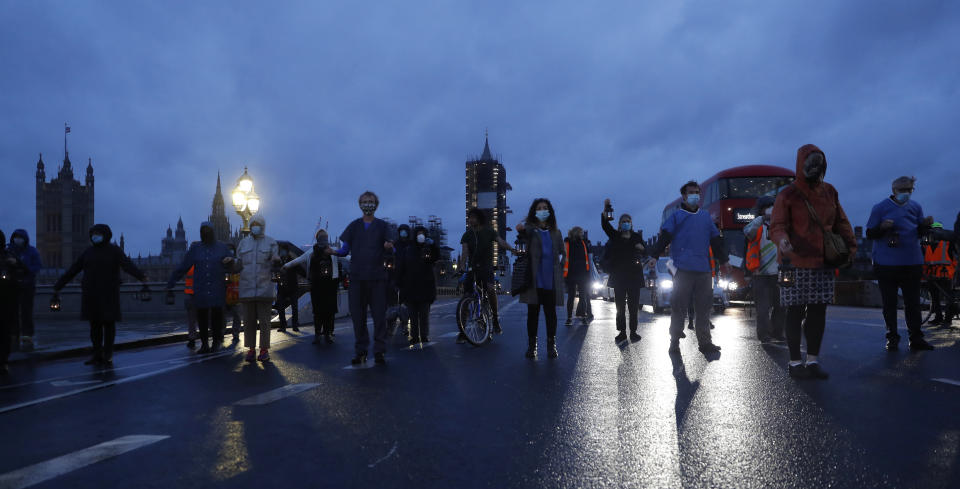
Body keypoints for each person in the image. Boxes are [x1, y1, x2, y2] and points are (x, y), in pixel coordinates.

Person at [771, 144, 857, 379]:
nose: (816, 169)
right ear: (801, 166)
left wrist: (850, 248)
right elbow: (777, 225)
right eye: (811, 164)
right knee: (795, 312)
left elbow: (841, 222)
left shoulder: (830, 191)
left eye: (819, 165)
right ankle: (795, 362)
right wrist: (782, 241)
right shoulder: (787, 194)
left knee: (818, 313)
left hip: (823, 262)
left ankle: (813, 360)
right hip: (794, 263)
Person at [648, 181, 729, 355]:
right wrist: (654, 255)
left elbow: (715, 241)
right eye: (691, 192)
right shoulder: (677, 216)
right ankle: (674, 341)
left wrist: (724, 260)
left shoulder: (706, 217)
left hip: (703, 270)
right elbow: (665, 237)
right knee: (679, 307)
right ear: (684, 196)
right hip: (683, 270)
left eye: (697, 192)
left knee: (704, 309)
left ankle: (705, 343)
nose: (695, 195)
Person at [53, 224, 148, 367]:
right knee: (95, 326)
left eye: (97, 234)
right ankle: (97, 354)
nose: (94, 236)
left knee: (109, 325)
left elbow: (127, 265)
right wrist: (58, 285)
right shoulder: (88, 252)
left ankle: (108, 354)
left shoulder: (114, 251)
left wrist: (141, 277)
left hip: (109, 293)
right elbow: (73, 269)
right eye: (92, 234)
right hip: (91, 293)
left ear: (105, 235)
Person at [865, 176, 935, 351]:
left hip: (911, 261)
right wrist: (882, 228)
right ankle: (892, 337)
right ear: (894, 190)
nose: (906, 194)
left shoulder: (915, 207)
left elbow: (919, 232)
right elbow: (870, 233)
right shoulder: (880, 208)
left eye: (909, 191)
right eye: (903, 190)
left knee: (913, 303)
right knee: (889, 303)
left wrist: (925, 225)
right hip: (886, 264)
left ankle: (916, 338)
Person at [328, 191, 395, 365]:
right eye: (364, 202)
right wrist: (333, 251)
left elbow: (392, 249)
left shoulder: (383, 226)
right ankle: (361, 351)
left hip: (377, 279)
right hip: (357, 278)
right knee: (358, 317)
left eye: (371, 201)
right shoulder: (353, 226)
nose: (367, 204)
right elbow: (344, 250)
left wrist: (389, 247)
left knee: (379, 316)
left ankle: (379, 351)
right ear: (359, 205)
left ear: (376, 205)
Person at [166, 222, 235, 354]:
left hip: (217, 289)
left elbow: (233, 264)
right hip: (201, 290)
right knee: (202, 318)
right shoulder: (196, 248)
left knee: (216, 317)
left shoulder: (222, 247)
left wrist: (230, 262)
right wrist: (171, 282)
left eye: (207, 230)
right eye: (203, 231)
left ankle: (216, 342)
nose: (205, 233)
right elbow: (183, 267)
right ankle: (204, 344)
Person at [515, 199, 565, 359]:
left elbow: (563, 252)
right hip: (534, 279)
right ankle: (532, 346)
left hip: (550, 279)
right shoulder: (529, 230)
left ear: (549, 211)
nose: (542, 210)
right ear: (534, 212)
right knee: (533, 314)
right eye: (539, 208)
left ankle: (551, 345)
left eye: (545, 208)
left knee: (551, 314)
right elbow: (522, 241)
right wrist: (521, 230)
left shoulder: (556, 233)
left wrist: (560, 268)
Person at [459, 207, 516, 343]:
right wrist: (461, 267)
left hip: (486, 267)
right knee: (466, 296)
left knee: (490, 289)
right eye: (469, 218)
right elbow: (465, 252)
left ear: (479, 218)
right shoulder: (467, 235)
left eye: (473, 217)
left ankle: (495, 318)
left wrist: (512, 249)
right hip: (473, 268)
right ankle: (462, 330)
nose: (471, 220)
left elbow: (501, 242)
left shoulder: (489, 231)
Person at [236, 213, 281, 363]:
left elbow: (276, 261)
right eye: (253, 224)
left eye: (258, 224)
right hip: (247, 287)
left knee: (264, 322)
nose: (255, 226)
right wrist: (230, 261)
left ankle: (264, 350)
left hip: (264, 288)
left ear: (262, 226)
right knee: (248, 322)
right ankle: (250, 349)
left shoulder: (271, 242)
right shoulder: (243, 243)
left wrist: (276, 259)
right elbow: (238, 263)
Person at [283, 229, 341, 344]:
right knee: (318, 311)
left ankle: (327, 334)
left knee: (329, 312)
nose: (323, 239)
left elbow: (346, 256)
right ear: (317, 238)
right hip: (317, 286)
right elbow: (298, 260)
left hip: (330, 285)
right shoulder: (312, 252)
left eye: (325, 237)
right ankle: (318, 334)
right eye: (321, 237)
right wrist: (285, 266)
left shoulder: (332, 251)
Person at [600, 201, 647, 343]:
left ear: (631, 224)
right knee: (619, 307)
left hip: (634, 276)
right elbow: (605, 226)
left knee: (633, 307)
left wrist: (642, 248)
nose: (626, 223)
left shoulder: (636, 237)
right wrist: (604, 212)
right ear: (619, 224)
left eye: (628, 221)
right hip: (619, 276)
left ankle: (633, 332)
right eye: (623, 221)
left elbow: (646, 251)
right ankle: (622, 332)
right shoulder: (615, 236)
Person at [744, 196, 786, 342]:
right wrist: (761, 219)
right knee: (763, 308)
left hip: (779, 272)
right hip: (760, 273)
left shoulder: (781, 227)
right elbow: (747, 233)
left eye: (773, 206)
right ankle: (764, 334)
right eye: (768, 207)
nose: (771, 209)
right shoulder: (756, 227)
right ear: (761, 209)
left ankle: (777, 332)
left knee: (781, 305)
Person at [397, 226, 439, 346]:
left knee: (424, 314)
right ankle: (415, 336)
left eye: (423, 234)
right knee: (413, 315)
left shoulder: (428, 248)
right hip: (410, 287)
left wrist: (433, 246)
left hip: (425, 286)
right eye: (418, 234)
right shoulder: (408, 250)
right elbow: (401, 267)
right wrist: (398, 282)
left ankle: (424, 336)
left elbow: (436, 257)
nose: (420, 236)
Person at [7, 230, 41, 352]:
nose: (18, 239)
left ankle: (27, 335)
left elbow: (37, 267)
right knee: (12, 311)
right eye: (16, 237)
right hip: (12, 286)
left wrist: (23, 268)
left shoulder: (32, 251)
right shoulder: (8, 251)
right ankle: (13, 334)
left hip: (27, 286)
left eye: (20, 237)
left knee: (26, 311)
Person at [0, 230, 26, 375]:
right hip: (7, 301)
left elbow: (25, 271)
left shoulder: (10, 256)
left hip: (6, 301)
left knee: (4, 332)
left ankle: (3, 361)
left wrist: (15, 265)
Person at [922, 222, 957, 326]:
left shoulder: (945, 243)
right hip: (938, 275)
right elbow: (925, 260)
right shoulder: (946, 242)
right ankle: (943, 318)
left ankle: (944, 318)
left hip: (939, 274)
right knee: (940, 297)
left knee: (941, 297)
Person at [563, 226, 593, 326]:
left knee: (582, 296)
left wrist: (588, 273)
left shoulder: (584, 242)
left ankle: (582, 316)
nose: (581, 234)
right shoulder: (568, 242)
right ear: (575, 232)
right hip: (572, 273)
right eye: (580, 232)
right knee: (572, 296)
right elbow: (564, 257)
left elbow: (588, 258)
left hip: (581, 274)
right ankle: (569, 317)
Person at [276, 246, 302, 333]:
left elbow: (300, 270)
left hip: (292, 287)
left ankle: (295, 325)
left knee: (294, 307)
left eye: (283, 251)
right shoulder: (278, 261)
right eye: (281, 251)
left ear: (287, 252)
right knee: (280, 307)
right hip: (282, 287)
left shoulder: (293, 261)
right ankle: (283, 326)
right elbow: (275, 271)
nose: (282, 253)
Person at [224, 243, 243, 342]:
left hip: (236, 293)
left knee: (237, 316)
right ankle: (221, 333)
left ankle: (236, 334)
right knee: (222, 316)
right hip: (225, 294)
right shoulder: (221, 263)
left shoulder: (238, 263)